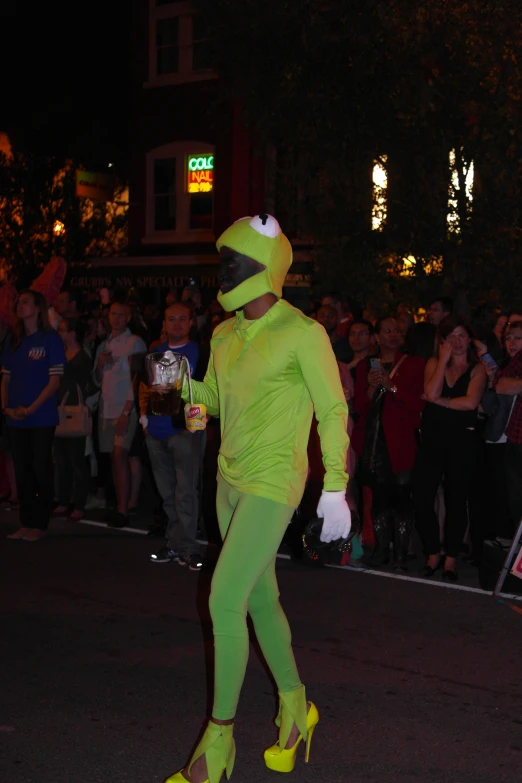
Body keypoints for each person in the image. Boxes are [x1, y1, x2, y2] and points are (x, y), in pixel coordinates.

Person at [165, 214, 350, 783]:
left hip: (275, 483)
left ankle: (216, 747)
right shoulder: (221, 334)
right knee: (259, 601)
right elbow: (216, 402)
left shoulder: (303, 332)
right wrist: (186, 389)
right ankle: (296, 708)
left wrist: (336, 486)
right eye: (221, 261)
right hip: (228, 481)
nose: (222, 271)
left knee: (224, 597)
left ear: (267, 268)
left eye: (233, 262)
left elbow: (333, 409)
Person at [413, 316, 487, 581]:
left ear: (470, 339)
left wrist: (441, 401)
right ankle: (433, 553)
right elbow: (429, 391)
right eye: (451, 337)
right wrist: (443, 360)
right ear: (442, 341)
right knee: (422, 496)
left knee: (457, 500)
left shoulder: (477, 369)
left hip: (463, 440)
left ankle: (451, 559)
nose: (457, 342)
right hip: (433, 438)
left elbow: (470, 403)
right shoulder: (434, 363)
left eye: (462, 336)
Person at [351, 316, 425, 569]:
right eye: (386, 330)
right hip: (374, 441)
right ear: (377, 337)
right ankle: (382, 549)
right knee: (379, 496)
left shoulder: (414, 364)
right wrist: (372, 389)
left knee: (403, 496)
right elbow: (360, 406)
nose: (392, 334)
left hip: (402, 440)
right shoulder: (365, 366)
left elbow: (418, 404)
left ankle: (402, 553)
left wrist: (392, 387)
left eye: (396, 330)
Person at [139, 302, 207, 570]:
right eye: (171, 319)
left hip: (185, 431)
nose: (176, 323)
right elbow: (143, 387)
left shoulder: (201, 352)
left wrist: (198, 424)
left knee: (186, 493)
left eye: (182, 319)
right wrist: (144, 419)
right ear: (164, 323)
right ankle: (174, 543)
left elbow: (208, 389)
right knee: (168, 494)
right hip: (156, 431)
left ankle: (188, 548)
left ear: (191, 322)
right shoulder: (154, 352)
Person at [1, 289, 66, 541]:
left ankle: (40, 523)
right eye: (18, 302)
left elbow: (55, 382)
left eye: (26, 302)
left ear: (38, 308)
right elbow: (5, 378)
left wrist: (30, 408)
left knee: (40, 468)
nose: (20, 305)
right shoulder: (13, 340)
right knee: (22, 469)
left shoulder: (50, 339)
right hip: (15, 416)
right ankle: (25, 521)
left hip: (41, 416)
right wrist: (6, 407)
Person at [92, 302, 147, 527]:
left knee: (120, 455)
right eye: (113, 314)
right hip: (106, 408)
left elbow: (138, 380)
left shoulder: (135, 342)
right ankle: (121, 505)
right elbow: (96, 380)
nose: (116, 318)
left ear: (129, 317)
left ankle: (124, 508)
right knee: (114, 460)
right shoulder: (104, 344)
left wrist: (127, 410)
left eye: (121, 315)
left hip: (126, 409)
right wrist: (99, 366)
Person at [52, 317, 95, 521]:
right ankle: (63, 500)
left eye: (63, 330)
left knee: (77, 460)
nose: (59, 333)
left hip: (74, 410)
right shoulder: (60, 353)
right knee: (61, 460)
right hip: (59, 409)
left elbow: (83, 383)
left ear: (72, 333)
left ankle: (79, 503)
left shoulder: (82, 357)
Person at [493, 320, 522, 537]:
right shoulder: (514, 361)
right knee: (515, 503)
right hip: (515, 437)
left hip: (516, 440)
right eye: (508, 338)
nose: (511, 343)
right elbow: (501, 384)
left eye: (517, 338)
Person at [345, 319, 375, 383]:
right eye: (352, 334)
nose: (356, 338)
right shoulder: (342, 362)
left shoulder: (375, 362)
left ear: (372, 338)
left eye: (361, 333)